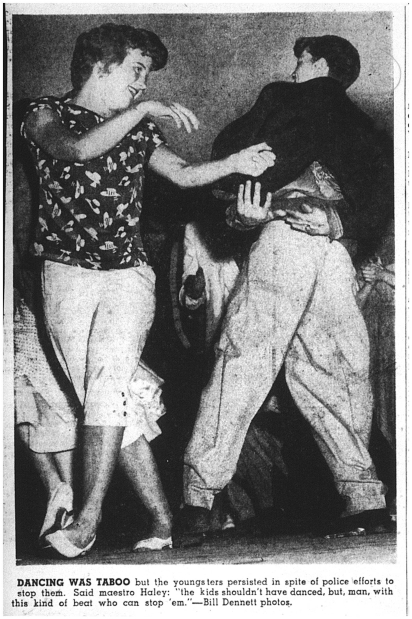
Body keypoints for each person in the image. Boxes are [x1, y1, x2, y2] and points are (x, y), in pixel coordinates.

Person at [21, 23, 275, 558]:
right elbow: (74, 151)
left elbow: (182, 174)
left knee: (108, 384)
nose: (142, 84)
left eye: (146, 77)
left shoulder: (138, 132)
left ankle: (85, 521)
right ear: (100, 65)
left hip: (129, 276)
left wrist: (233, 164)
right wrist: (139, 112)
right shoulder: (43, 112)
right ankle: (161, 520)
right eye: (136, 70)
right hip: (63, 274)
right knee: (108, 399)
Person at [178, 35, 393, 543]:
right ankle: (363, 497)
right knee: (336, 366)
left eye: (303, 58)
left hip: (287, 232)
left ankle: (197, 499)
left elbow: (232, 158)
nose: (296, 66)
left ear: (316, 63)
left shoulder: (285, 96)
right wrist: (339, 222)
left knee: (247, 352)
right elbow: (382, 189)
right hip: (332, 244)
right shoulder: (364, 124)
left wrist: (239, 211)